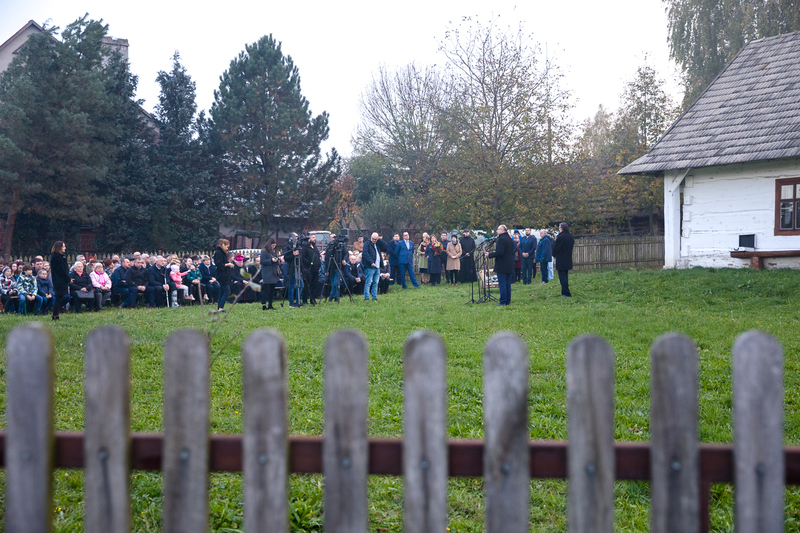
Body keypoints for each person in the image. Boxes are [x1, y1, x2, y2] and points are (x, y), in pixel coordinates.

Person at [486, 225, 515, 306]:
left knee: (502, 284)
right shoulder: (509, 239)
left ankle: (503, 301)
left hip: (502, 265)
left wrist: (490, 255)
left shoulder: (501, 239)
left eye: (498, 229)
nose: (496, 231)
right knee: (507, 284)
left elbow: (500, 253)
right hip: (509, 264)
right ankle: (507, 301)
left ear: (502, 230)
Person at [362, 232, 389, 301]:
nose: (374, 240)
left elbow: (386, 246)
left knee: (376, 282)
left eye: (376, 239)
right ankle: (366, 297)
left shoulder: (377, 244)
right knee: (368, 282)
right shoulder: (367, 244)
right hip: (370, 266)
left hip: (377, 266)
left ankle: (374, 297)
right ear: (370, 237)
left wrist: (379, 240)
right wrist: (371, 262)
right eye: (373, 239)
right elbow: (365, 253)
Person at [552, 222, 575, 297]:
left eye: (559, 228)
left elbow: (557, 247)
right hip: (568, 258)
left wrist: (554, 254)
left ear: (561, 228)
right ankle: (564, 291)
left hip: (561, 259)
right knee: (565, 275)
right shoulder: (571, 236)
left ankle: (566, 293)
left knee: (562, 277)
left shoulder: (561, 237)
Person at [49, 241, 70, 320]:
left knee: (60, 297)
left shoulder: (61, 256)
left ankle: (56, 312)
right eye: (63, 246)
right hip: (59, 281)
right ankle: (55, 315)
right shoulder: (56, 257)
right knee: (58, 298)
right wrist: (68, 279)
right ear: (59, 247)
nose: (65, 248)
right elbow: (61, 270)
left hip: (62, 280)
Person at [260, 238, 281, 310]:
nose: (273, 247)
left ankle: (270, 304)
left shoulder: (273, 252)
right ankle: (263, 305)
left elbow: (276, 261)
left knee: (272, 290)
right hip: (267, 273)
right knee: (266, 290)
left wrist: (278, 260)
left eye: (275, 246)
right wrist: (271, 260)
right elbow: (262, 261)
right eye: (272, 245)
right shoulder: (264, 252)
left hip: (274, 273)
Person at [213, 239, 234, 312]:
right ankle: (221, 307)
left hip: (225, 274)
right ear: (223, 245)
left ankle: (219, 307)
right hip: (222, 275)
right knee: (227, 292)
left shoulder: (222, 253)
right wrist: (228, 264)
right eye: (227, 246)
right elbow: (219, 264)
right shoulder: (218, 253)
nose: (227, 248)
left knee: (222, 292)